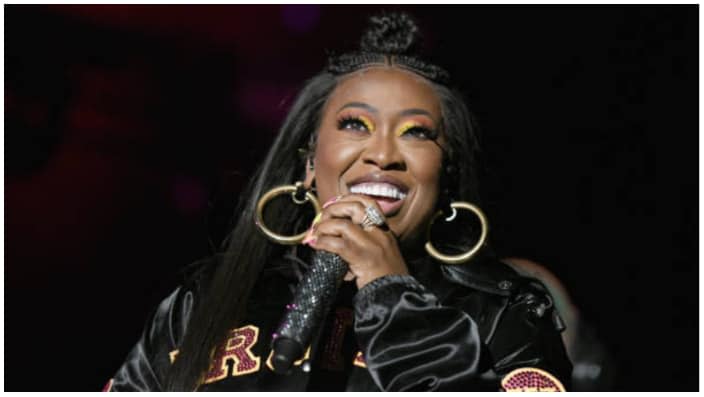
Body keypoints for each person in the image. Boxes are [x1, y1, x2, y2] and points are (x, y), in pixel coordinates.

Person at [106, 12, 572, 392]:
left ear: (446, 176)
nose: (384, 154)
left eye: (417, 133)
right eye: (355, 125)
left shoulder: (503, 313)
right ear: (308, 164)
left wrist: (390, 292)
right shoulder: (204, 300)